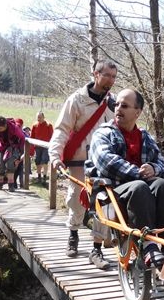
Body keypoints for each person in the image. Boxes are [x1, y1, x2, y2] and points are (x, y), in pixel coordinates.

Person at [87, 88, 164, 269]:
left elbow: (161, 163)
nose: (118, 109)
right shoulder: (103, 133)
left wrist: (153, 168)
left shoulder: (145, 136)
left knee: (163, 185)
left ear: (138, 112)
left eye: (124, 106)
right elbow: (106, 163)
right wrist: (139, 172)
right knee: (140, 186)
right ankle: (147, 246)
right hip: (113, 190)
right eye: (117, 105)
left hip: (139, 189)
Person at [49, 59, 117, 265]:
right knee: (76, 199)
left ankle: (96, 249)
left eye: (114, 76)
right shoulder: (76, 100)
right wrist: (54, 155)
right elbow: (61, 129)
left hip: (104, 163)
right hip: (79, 160)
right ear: (96, 74)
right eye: (107, 75)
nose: (111, 80)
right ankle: (73, 233)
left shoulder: (115, 102)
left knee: (105, 202)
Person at [30, 111, 53, 186]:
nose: (38, 119)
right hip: (37, 147)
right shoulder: (35, 125)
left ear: (43, 117)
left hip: (46, 146)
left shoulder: (48, 125)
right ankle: (39, 177)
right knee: (38, 161)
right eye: (37, 117)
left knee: (44, 161)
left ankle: (44, 178)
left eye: (40, 117)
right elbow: (32, 137)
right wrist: (32, 147)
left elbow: (52, 136)